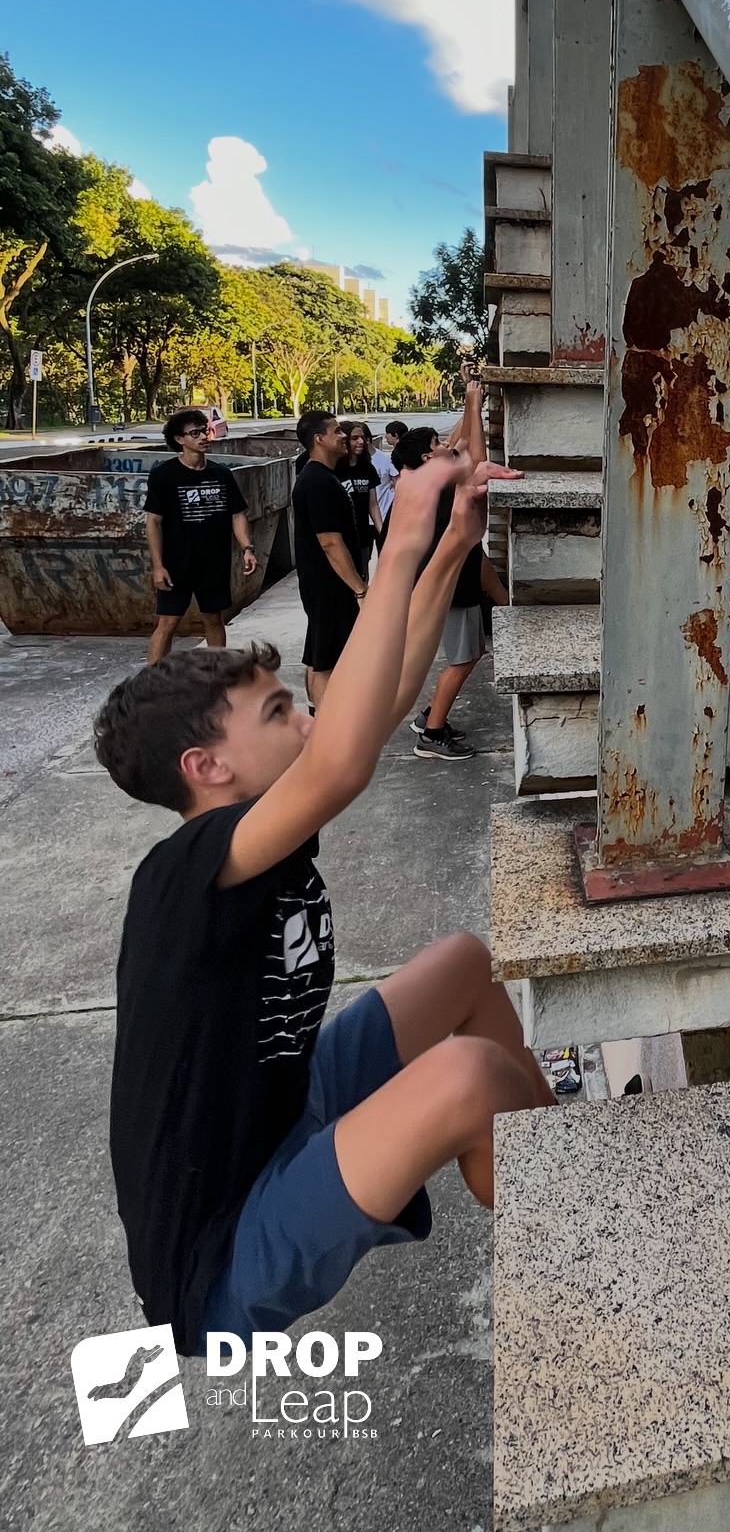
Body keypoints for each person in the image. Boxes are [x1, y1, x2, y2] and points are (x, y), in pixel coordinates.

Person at [94, 445, 548, 1360]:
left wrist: (450, 544)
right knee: (468, 1079)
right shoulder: (184, 874)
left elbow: (384, 698)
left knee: (462, 962)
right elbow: (341, 759)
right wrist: (404, 525)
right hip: (224, 1253)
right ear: (206, 769)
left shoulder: (265, 814)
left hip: (284, 1107)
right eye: (279, 714)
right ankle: (572, 1227)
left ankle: (548, 1155)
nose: (309, 718)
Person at [387, 389, 509, 761]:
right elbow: (475, 456)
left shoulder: (425, 481)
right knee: (463, 659)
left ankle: (429, 716)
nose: (448, 444)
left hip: (453, 586)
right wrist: (473, 404)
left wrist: (473, 403)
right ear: (429, 457)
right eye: (439, 443)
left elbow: (461, 442)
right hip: (453, 590)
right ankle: (432, 733)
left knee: (471, 652)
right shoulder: (443, 485)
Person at [144, 409, 257, 666]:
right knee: (168, 622)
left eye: (204, 431)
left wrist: (247, 548)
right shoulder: (165, 475)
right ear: (179, 439)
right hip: (176, 563)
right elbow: (153, 522)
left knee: (214, 618)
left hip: (213, 563)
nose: (204, 437)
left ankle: (218, 676)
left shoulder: (221, 474)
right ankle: (150, 682)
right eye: (195, 433)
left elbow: (237, 515)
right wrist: (158, 566)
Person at [291, 410, 366, 709]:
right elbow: (330, 543)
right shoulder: (319, 482)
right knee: (328, 660)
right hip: (328, 585)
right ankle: (324, 729)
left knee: (318, 653)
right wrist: (359, 589)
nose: (343, 435)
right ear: (319, 439)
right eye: (336, 431)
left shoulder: (321, 477)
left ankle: (315, 716)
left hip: (321, 584)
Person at [336, 422, 383, 577]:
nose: (361, 442)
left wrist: (382, 531)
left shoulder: (368, 468)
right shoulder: (334, 469)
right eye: (354, 438)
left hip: (363, 536)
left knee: (362, 577)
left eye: (362, 438)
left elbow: (373, 505)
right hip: (341, 538)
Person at [374, 420, 406, 525]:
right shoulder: (408, 450)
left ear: (395, 435)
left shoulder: (397, 454)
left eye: (387, 433)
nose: (385, 436)